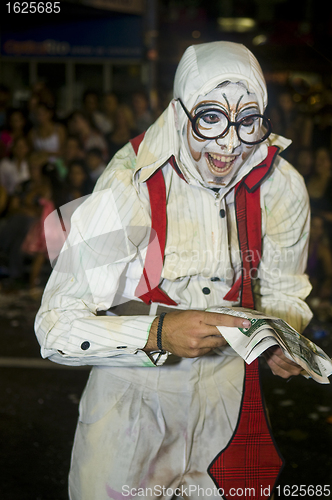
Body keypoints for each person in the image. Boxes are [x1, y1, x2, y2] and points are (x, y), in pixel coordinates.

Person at [35, 42, 312, 500]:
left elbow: (284, 289)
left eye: (247, 121)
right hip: (133, 396)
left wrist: (284, 339)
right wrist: (157, 333)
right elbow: (56, 328)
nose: (229, 144)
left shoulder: (282, 186)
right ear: (182, 111)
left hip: (227, 393)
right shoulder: (128, 187)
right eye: (211, 117)